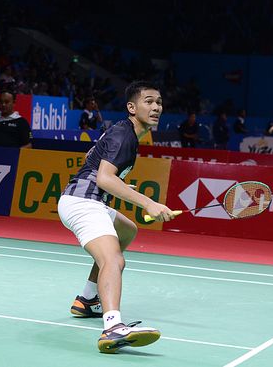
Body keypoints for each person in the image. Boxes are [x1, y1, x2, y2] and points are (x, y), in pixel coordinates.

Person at [58, 81, 173, 353]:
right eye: (148, 101)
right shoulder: (124, 135)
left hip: (87, 199)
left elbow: (92, 157)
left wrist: (118, 183)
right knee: (113, 259)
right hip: (83, 202)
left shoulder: (124, 133)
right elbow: (104, 177)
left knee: (127, 230)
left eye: (158, 102)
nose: (156, 107)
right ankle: (112, 327)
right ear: (131, 107)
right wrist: (148, 203)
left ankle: (86, 300)